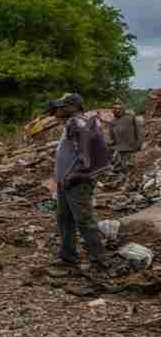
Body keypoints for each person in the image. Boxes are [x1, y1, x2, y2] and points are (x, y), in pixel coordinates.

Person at [51, 93, 111, 271]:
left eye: (62, 106)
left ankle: (99, 261)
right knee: (64, 219)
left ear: (73, 107)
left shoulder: (77, 123)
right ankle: (68, 256)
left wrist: (72, 176)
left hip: (76, 181)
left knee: (84, 220)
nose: (58, 109)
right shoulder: (75, 123)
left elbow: (84, 156)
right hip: (66, 181)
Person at [107, 101, 143, 172]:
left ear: (123, 109)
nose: (117, 110)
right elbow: (111, 137)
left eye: (119, 108)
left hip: (131, 148)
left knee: (131, 168)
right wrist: (111, 146)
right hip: (120, 149)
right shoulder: (112, 122)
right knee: (123, 168)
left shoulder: (130, 118)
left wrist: (139, 143)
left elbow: (138, 131)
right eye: (115, 109)